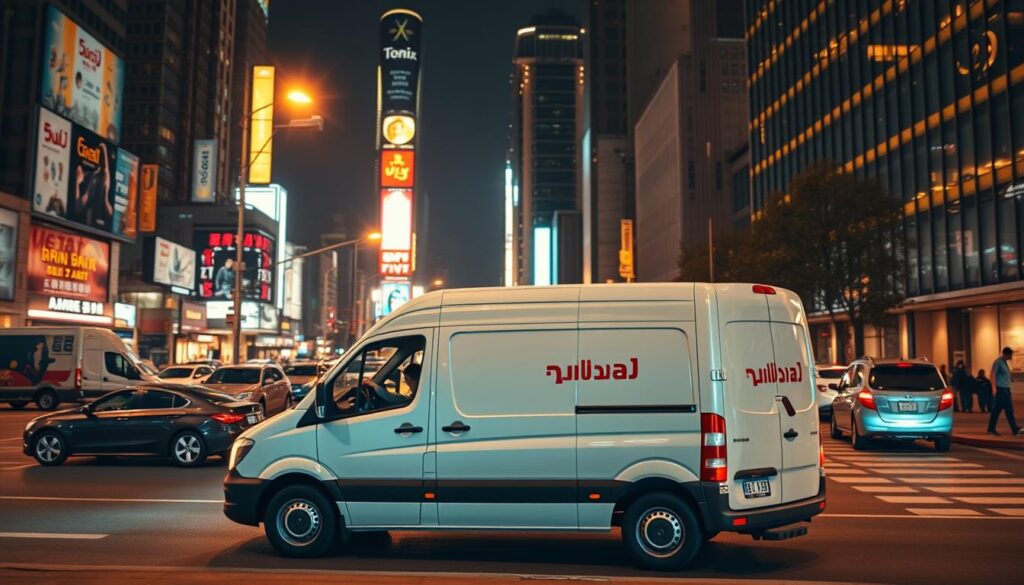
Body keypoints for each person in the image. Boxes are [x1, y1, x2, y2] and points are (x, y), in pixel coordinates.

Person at [988, 347, 1022, 436]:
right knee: (1008, 409)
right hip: (1001, 389)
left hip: (1006, 388)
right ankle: (1014, 429)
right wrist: (993, 388)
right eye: (1010, 355)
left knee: (997, 410)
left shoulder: (1004, 363)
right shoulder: (998, 362)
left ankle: (991, 428)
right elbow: (993, 374)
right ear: (1006, 354)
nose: (1011, 357)